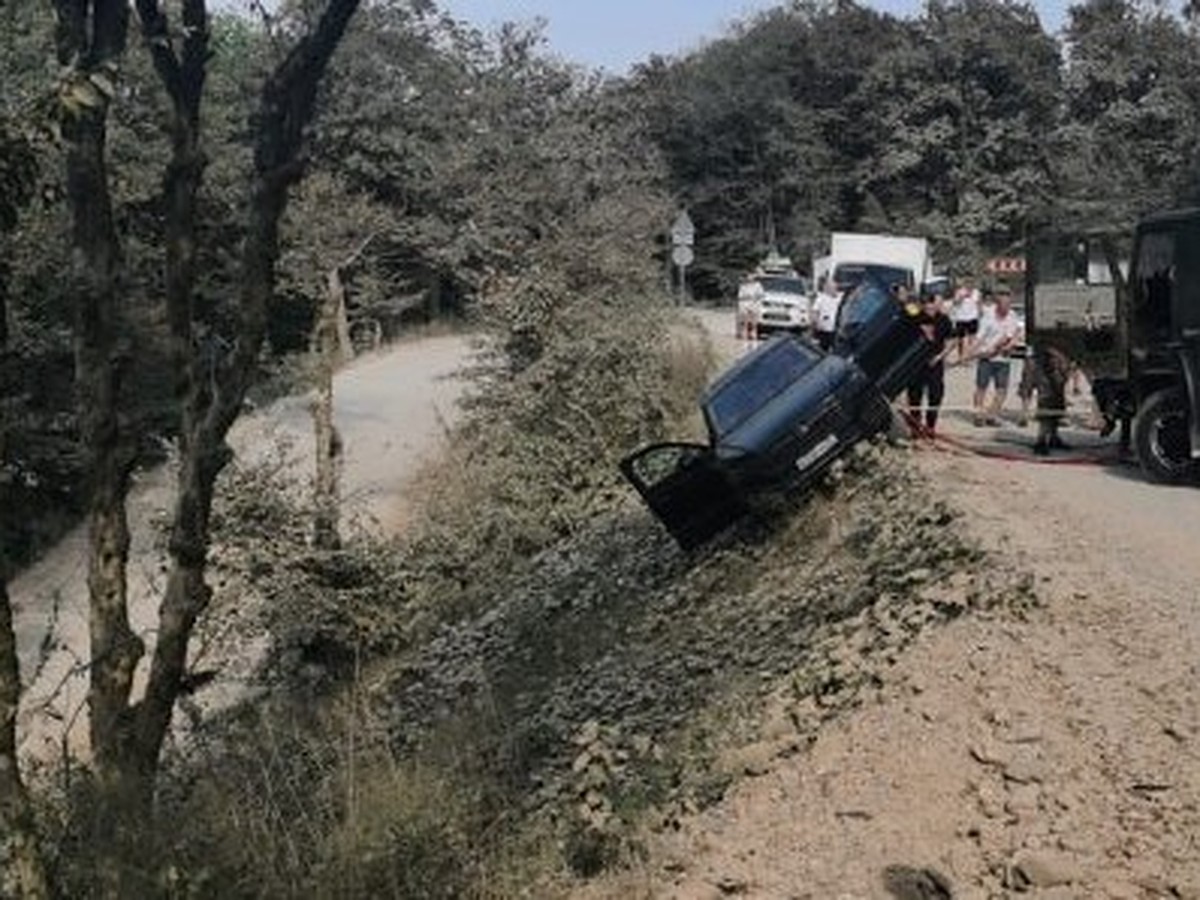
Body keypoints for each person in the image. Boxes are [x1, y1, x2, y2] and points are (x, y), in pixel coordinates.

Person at [969, 285, 1023, 426]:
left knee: (1002, 390)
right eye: (1002, 304)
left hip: (1003, 358)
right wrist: (972, 351)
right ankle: (979, 415)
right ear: (997, 304)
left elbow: (1011, 336)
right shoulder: (988, 315)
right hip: (986, 357)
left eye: (1008, 304)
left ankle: (992, 415)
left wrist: (1004, 347)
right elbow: (980, 337)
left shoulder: (1012, 316)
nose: (1006, 308)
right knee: (981, 387)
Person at [905, 289, 955, 439]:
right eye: (924, 304)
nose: (927, 307)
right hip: (917, 363)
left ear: (935, 303)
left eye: (930, 303)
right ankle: (915, 427)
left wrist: (940, 357)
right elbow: (905, 306)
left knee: (935, 395)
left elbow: (951, 342)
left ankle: (930, 426)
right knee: (914, 396)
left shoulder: (944, 320)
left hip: (935, 363)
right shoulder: (915, 316)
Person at [1021, 343, 1073, 454]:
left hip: (1058, 364)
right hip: (1044, 365)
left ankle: (1053, 437)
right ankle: (1041, 439)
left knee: (1058, 402)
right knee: (1046, 402)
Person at [950, 277, 981, 360]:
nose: (969, 284)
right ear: (965, 283)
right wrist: (962, 297)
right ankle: (960, 356)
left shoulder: (976, 292)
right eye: (967, 282)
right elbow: (955, 303)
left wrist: (980, 313)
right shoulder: (959, 291)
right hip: (961, 318)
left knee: (972, 338)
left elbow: (978, 303)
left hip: (973, 317)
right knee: (960, 339)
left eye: (971, 282)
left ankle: (969, 355)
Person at [811, 275, 842, 350]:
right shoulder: (821, 299)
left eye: (835, 288)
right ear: (826, 288)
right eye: (832, 287)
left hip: (836, 329)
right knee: (822, 349)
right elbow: (814, 312)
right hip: (824, 329)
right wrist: (817, 323)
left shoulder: (839, 298)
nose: (834, 289)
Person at [736, 275, 764, 342]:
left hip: (755, 305)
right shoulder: (743, 286)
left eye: (751, 277)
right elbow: (740, 296)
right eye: (748, 277)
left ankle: (754, 336)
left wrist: (755, 298)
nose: (750, 278)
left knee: (754, 323)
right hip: (745, 305)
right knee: (746, 321)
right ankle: (746, 335)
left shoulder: (758, 285)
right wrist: (747, 298)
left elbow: (761, 295)